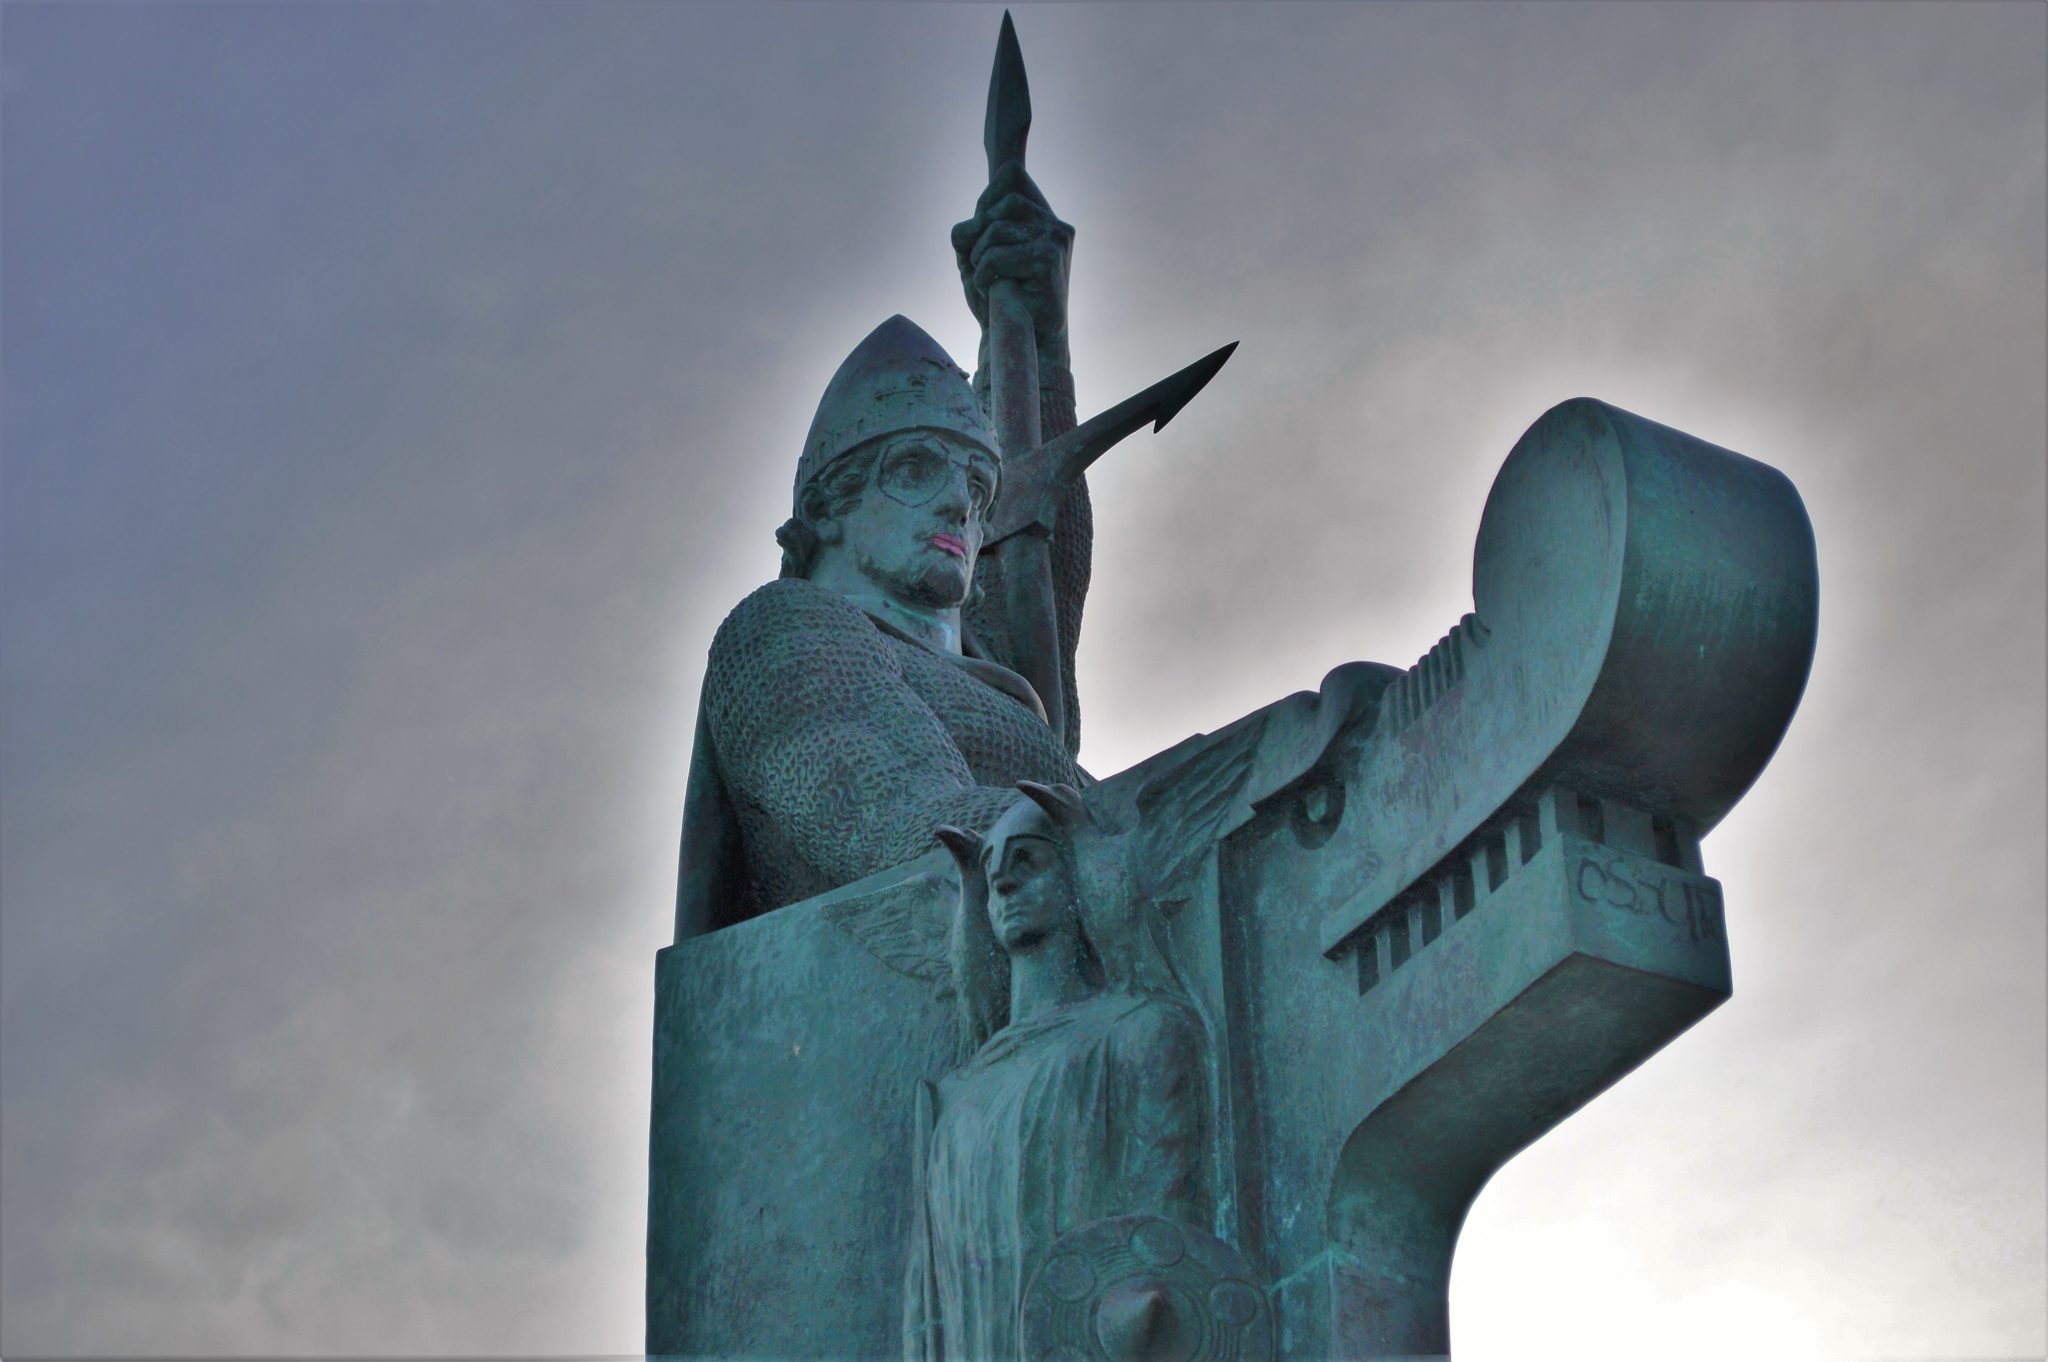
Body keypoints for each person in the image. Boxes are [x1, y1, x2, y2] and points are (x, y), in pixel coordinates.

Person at [676, 166, 1093, 932]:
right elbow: (910, 824)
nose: (956, 505)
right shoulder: (785, 633)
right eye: (913, 469)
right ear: (829, 509)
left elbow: (1042, 564)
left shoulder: (989, 671)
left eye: (976, 487)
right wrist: (1141, 817)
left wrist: (1041, 339)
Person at [904, 784, 1212, 1361]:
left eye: (1027, 860)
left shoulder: (1141, 1034)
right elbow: (929, 1306)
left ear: (1076, 876)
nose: (1004, 881)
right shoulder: (953, 1102)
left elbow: (1165, 1240)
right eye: (991, 868)